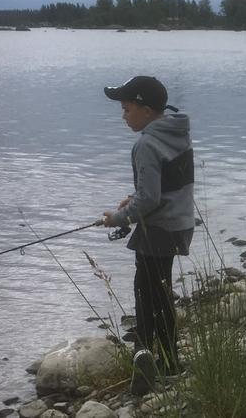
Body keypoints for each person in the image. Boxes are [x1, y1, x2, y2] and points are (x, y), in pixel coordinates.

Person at [101, 76, 195, 395]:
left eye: (127, 109)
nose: (123, 115)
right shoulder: (176, 133)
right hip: (178, 224)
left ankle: (147, 359)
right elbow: (165, 185)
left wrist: (119, 217)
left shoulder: (145, 144)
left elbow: (151, 199)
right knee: (161, 292)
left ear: (145, 108)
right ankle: (169, 363)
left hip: (158, 228)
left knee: (145, 293)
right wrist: (136, 198)